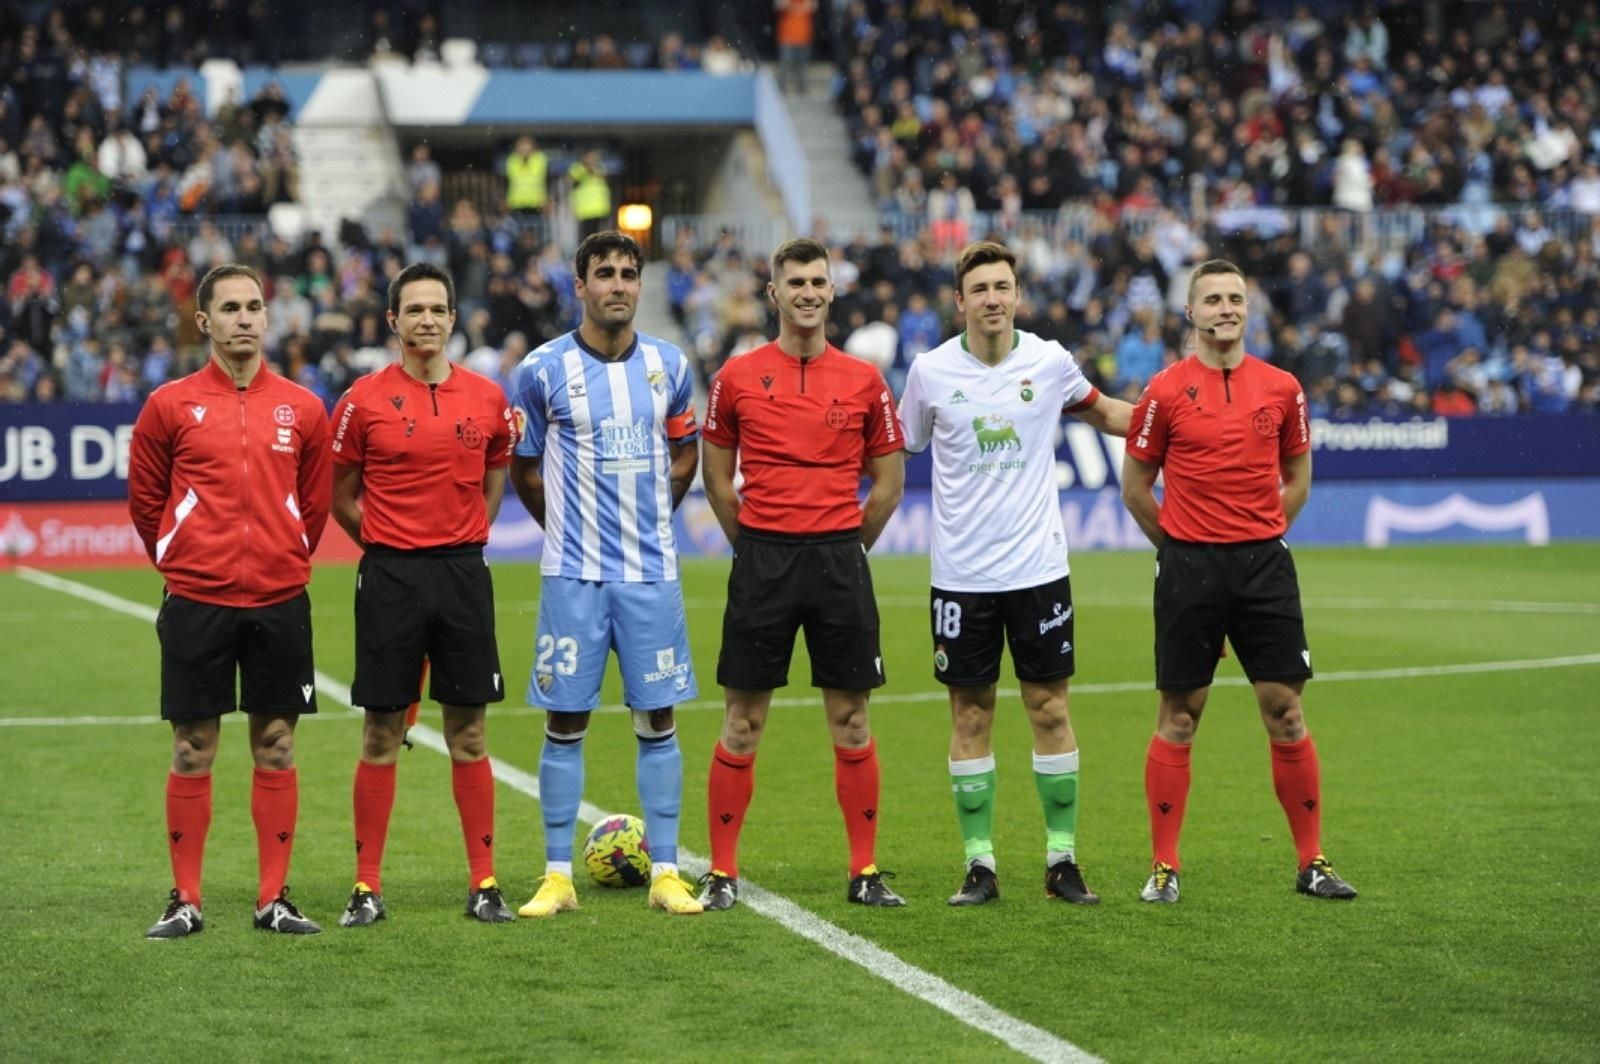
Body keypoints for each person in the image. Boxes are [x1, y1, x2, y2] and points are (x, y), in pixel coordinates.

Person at [897, 241, 1132, 907]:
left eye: (1004, 286)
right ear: (961, 301)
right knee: (970, 715)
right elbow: (896, 444)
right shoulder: (932, 372)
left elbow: (1106, 411)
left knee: (1049, 708)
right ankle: (980, 865)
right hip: (962, 577)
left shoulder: (1050, 362)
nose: (993, 298)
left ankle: (1062, 860)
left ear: (1017, 296)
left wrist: (1181, 422)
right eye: (981, 289)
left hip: (1038, 571)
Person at [1120, 258, 1358, 904]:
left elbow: (1298, 477)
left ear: (1246, 310)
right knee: (1180, 715)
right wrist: (1178, 547)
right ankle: (1164, 866)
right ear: (1190, 313)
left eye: (1235, 298)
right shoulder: (1165, 391)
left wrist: (1260, 532)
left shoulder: (1283, 388)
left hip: (1263, 566)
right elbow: (1135, 485)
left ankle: (1312, 861)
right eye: (1213, 299)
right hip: (1190, 567)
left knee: (1285, 710)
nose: (1225, 309)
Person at [697, 237, 907, 911]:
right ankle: (723, 872)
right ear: (774, 293)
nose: (809, 292)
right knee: (742, 722)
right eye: (796, 282)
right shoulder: (737, 376)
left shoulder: (865, 380)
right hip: (764, 559)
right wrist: (755, 545)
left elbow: (888, 484)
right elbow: (717, 477)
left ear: (831, 291)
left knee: (851, 719)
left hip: (839, 560)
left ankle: (865, 870)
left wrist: (846, 546)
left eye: (819, 281)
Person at [505, 232, 705, 918]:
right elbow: (525, 470)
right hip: (574, 577)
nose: (617, 284)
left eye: (628, 273)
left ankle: (668, 874)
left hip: (650, 574)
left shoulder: (669, 366)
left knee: (658, 716)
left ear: (638, 285)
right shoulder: (541, 369)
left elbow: (686, 456)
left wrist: (651, 517)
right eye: (604, 274)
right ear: (580, 284)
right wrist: (565, 525)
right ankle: (557, 877)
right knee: (566, 717)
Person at [128, 263, 331, 938]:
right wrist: (183, 561)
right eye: (231, 308)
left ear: (266, 318)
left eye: (254, 306)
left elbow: (316, 502)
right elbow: (146, 498)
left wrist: (285, 551)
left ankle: (273, 899)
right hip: (197, 598)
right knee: (193, 746)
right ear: (205, 321)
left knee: (276, 744)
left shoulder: (302, 407)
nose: (245, 318)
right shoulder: (169, 405)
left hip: (279, 598)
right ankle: (185, 899)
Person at [329, 262, 520, 926]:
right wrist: (385, 540)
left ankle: (485, 882)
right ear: (393, 322)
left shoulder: (488, 398)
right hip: (390, 578)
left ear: (452, 317)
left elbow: (495, 475)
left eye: (438, 309)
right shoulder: (361, 401)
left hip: (463, 575)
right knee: (382, 730)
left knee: (469, 730)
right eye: (415, 310)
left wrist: (464, 534)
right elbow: (340, 493)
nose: (428, 320)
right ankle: (366, 886)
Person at [568, 149, 612, 244]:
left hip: (600, 209)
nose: (593, 160)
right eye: (591, 157)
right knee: (587, 237)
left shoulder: (600, 168)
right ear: (585, 157)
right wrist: (586, 171)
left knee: (600, 237)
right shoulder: (577, 169)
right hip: (585, 211)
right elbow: (572, 181)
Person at [504, 135, 548, 219]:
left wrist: (547, 199)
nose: (524, 148)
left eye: (527, 145)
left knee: (534, 229)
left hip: (536, 202)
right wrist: (505, 200)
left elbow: (546, 180)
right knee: (517, 229)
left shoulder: (540, 159)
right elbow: (506, 181)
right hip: (516, 203)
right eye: (521, 145)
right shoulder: (512, 160)